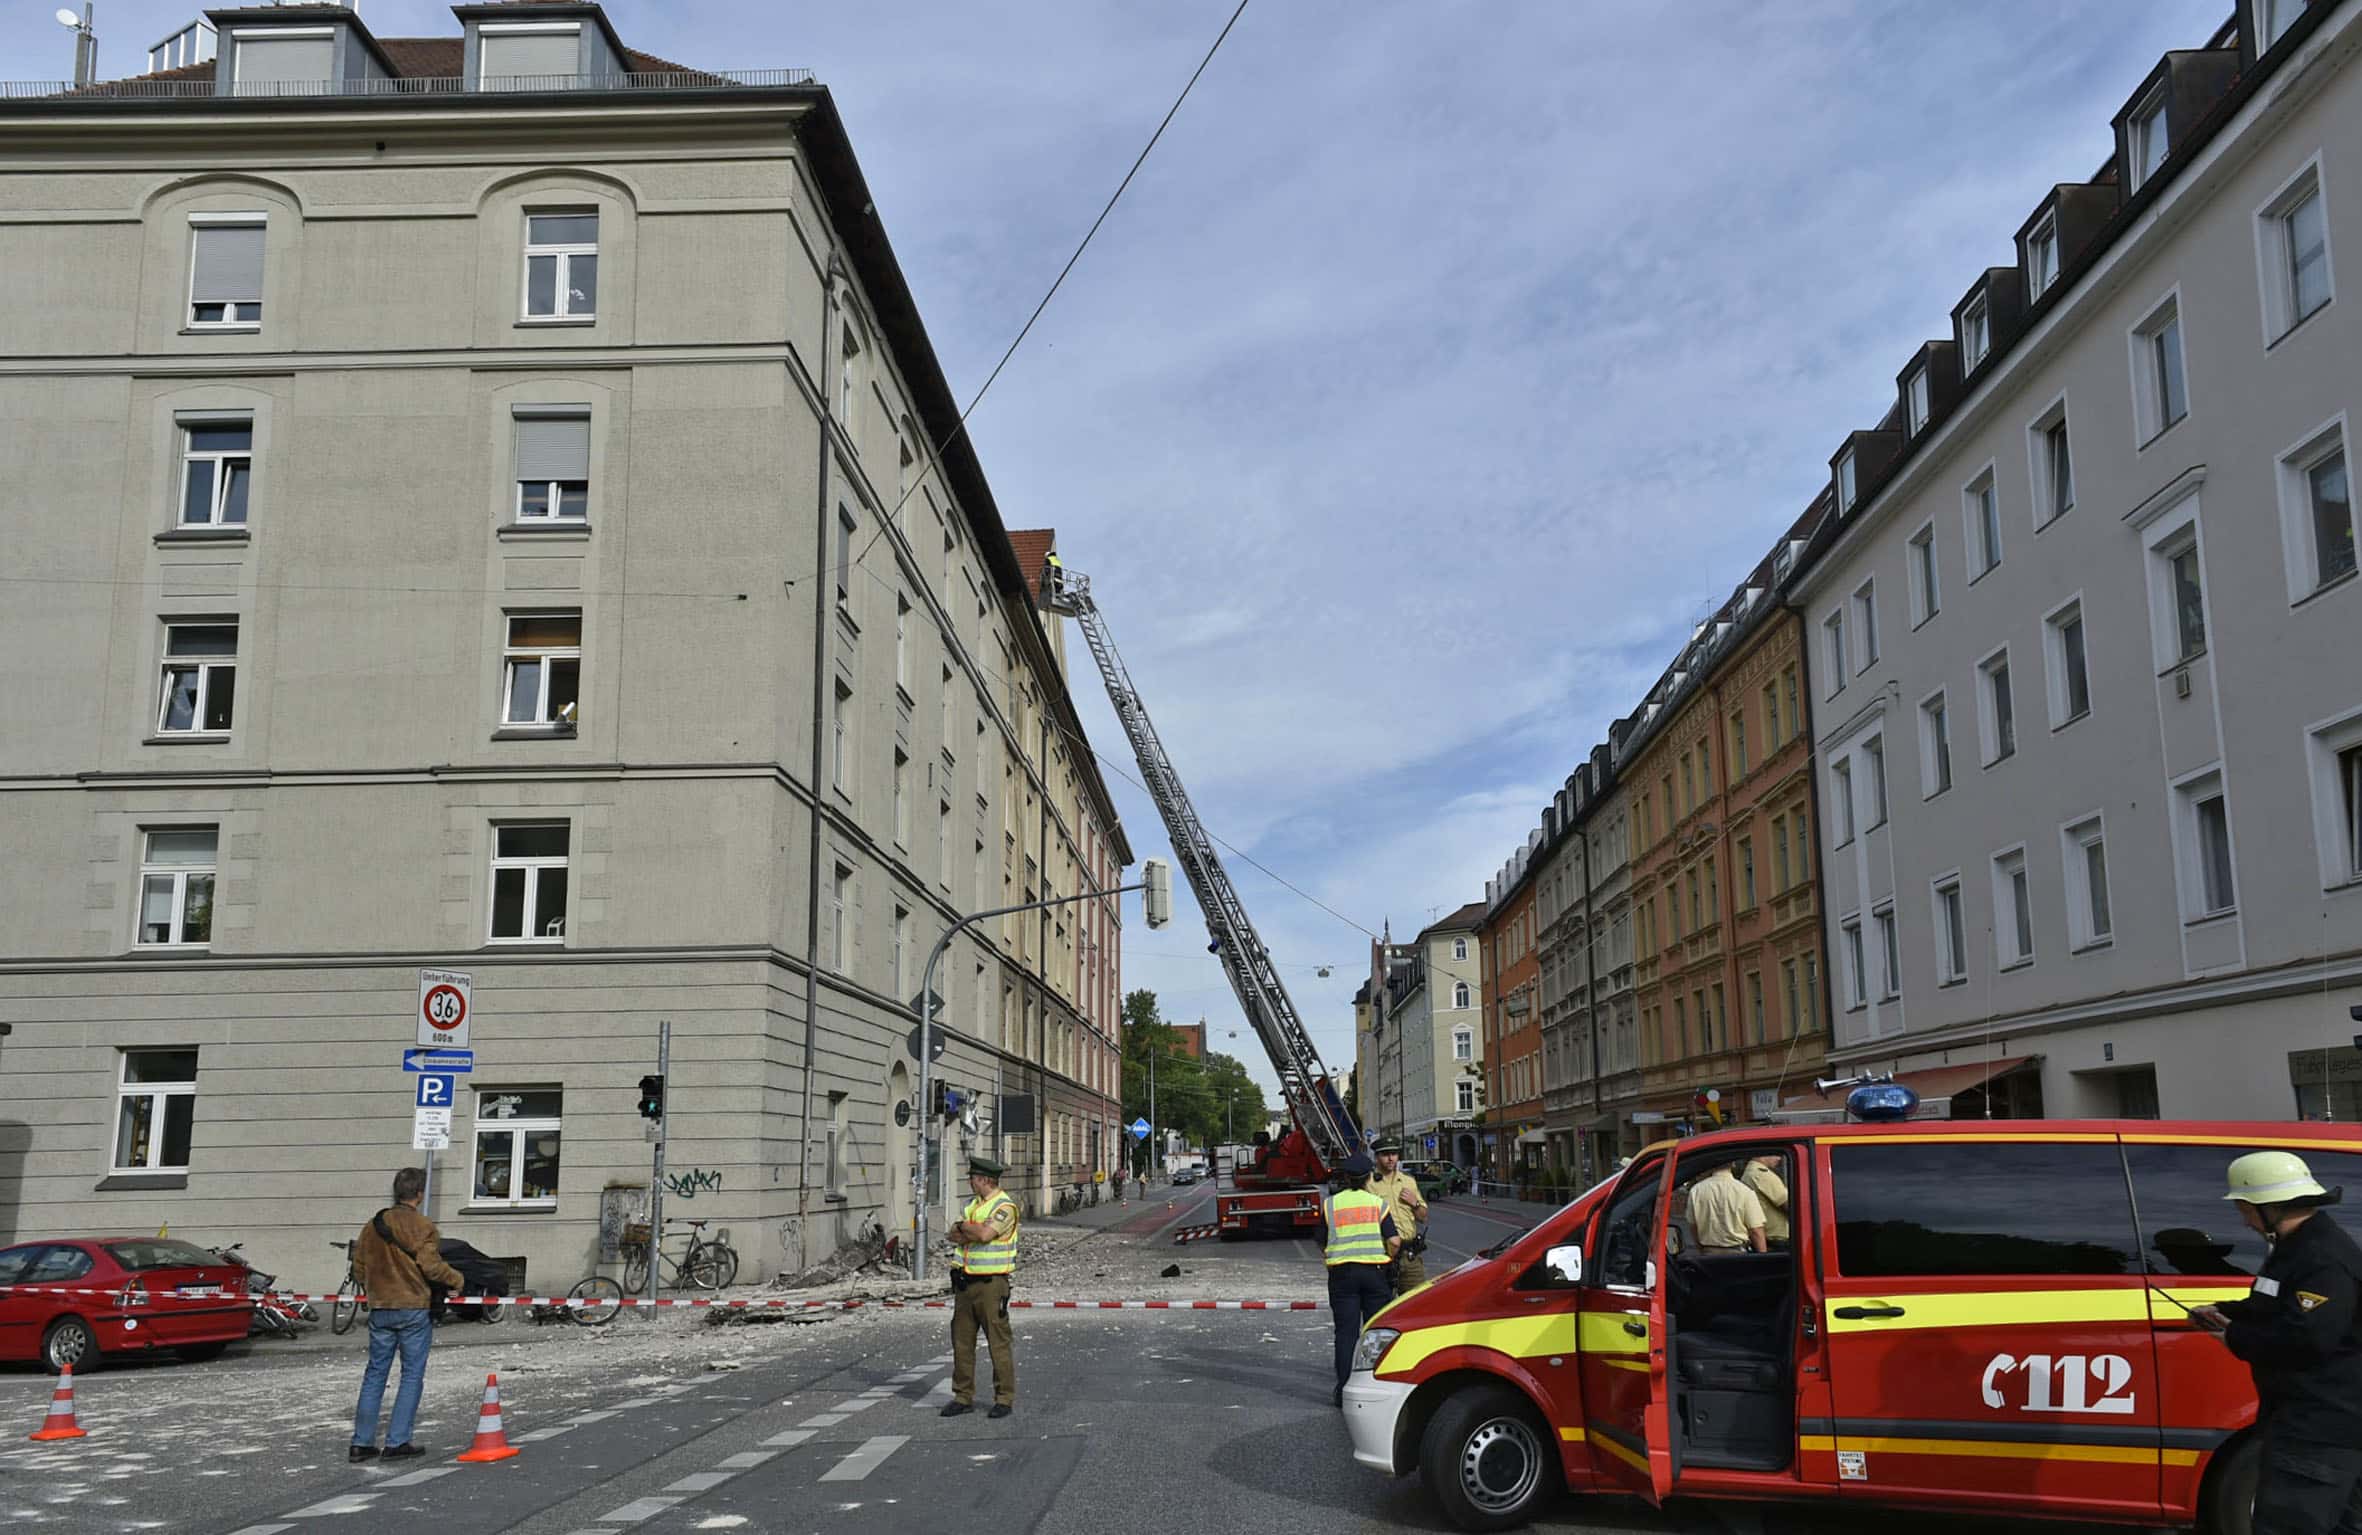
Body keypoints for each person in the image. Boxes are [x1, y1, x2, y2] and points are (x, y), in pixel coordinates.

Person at [2188, 1151, 2361, 1535]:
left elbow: (2306, 1340)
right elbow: (2273, 1302)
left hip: (2318, 1429)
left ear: (2267, 1207)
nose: (2242, 1218)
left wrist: (2231, 1336)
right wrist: (2224, 1309)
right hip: (2311, 1423)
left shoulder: (2322, 1258)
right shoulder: (2296, 1247)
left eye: (2244, 1208)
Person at [350, 1165, 465, 1463]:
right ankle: (397, 1441)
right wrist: (457, 1280)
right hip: (413, 1308)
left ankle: (361, 1443)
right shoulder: (423, 1226)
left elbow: (358, 1268)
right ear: (419, 1193)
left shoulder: (371, 1225)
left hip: (380, 1308)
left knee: (375, 1373)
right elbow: (431, 1267)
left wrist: (375, 1288)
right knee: (411, 1374)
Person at [942, 1154, 1020, 1420]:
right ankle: (962, 1396)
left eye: (973, 1178)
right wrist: (968, 1229)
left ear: (985, 1179)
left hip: (991, 1284)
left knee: (998, 1343)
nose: (970, 1182)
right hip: (965, 1282)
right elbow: (952, 1234)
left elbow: (986, 1235)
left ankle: (1004, 1398)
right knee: (961, 1341)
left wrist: (965, 1228)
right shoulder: (971, 1205)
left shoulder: (1005, 1207)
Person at [1324, 1152, 1402, 1408]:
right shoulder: (1377, 1204)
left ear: (1346, 1178)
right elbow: (1394, 1241)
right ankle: (1374, 1387)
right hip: (1374, 1274)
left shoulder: (1330, 1204)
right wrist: (1389, 1259)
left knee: (1346, 1333)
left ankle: (1343, 1390)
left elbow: (1321, 1240)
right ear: (1369, 1177)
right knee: (1376, 1332)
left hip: (1342, 1275)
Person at [1367, 1140, 1431, 1295]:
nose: (1390, 1159)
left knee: (1415, 1304)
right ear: (1376, 1157)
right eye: (1385, 1155)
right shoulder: (1368, 1183)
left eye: (1394, 1154)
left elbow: (1423, 1217)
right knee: (1382, 1306)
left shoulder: (1408, 1182)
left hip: (1409, 1255)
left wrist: (1414, 1203)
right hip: (1382, 1255)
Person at [1685, 1160, 1768, 1254]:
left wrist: (1701, 1249)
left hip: (1708, 1254)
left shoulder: (1696, 1191)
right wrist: (1763, 1256)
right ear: (1733, 1164)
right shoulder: (1745, 1191)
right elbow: (1756, 1231)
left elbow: (1693, 1226)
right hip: (1738, 1255)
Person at [1741, 1153, 1792, 1246]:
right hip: (1776, 1240)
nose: (1779, 1158)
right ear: (1761, 1155)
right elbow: (1789, 1205)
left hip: (1767, 1239)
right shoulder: (1761, 1174)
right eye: (1775, 1153)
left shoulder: (1750, 1173)